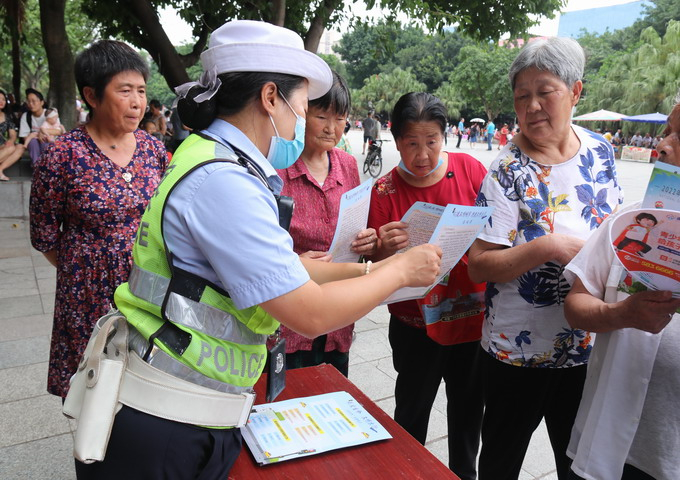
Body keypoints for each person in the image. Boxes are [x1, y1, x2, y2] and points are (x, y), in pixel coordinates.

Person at [75, 20, 441, 479]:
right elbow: (308, 314)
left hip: (182, 401)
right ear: (271, 98)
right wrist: (402, 271)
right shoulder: (225, 182)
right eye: (303, 106)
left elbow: (285, 270)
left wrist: (366, 272)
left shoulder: (210, 157)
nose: (304, 121)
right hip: (170, 420)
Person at [467, 37, 623, 480]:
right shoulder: (505, 170)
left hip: (586, 346)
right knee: (501, 461)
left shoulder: (600, 151)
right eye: (521, 96)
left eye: (544, 91)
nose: (532, 105)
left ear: (574, 92)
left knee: (578, 465)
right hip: (516, 354)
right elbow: (478, 265)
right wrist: (549, 247)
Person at [29, 40, 167, 400]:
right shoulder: (62, 155)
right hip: (86, 292)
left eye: (141, 90)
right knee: (93, 388)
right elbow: (44, 234)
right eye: (125, 91)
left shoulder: (153, 149)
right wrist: (85, 264)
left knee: (144, 382)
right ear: (91, 95)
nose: (138, 102)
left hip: (145, 284)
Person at [367, 92, 487, 480]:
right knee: (412, 411)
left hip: (470, 319)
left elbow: (495, 230)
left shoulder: (470, 170)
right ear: (396, 139)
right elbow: (375, 267)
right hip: (414, 325)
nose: (422, 155)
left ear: (445, 136)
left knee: (469, 412)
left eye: (431, 142)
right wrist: (383, 248)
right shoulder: (384, 190)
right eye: (411, 144)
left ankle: (463, 474)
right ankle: (407, 473)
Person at [565, 95, 680, 480]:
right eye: (666, 133)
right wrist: (622, 314)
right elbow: (576, 304)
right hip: (608, 445)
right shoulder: (626, 222)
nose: (662, 146)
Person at [277, 71, 376, 377]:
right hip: (291, 308)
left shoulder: (347, 165)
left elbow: (357, 226)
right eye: (321, 116)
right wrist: (294, 262)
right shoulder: (278, 168)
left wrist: (367, 240)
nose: (332, 128)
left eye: (341, 118)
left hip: (338, 308)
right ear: (302, 114)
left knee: (334, 389)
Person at [0, 90, 25, 181]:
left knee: (20, 147)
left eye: (3, 99)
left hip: (2, 146)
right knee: (11, 148)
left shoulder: (7, 116)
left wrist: (11, 140)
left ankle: (0, 170)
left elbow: (13, 134)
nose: (1, 101)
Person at [18, 88, 48, 165]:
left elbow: (58, 131)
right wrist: (38, 135)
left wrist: (42, 134)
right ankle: (36, 168)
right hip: (33, 142)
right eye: (29, 101)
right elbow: (25, 137)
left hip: (48, 140)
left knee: (45, 142)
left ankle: (47, 168)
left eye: (34, 101)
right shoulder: (26, 116)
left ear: (42, 102)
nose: (31, 104)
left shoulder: (49, 114)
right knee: (32, 142)